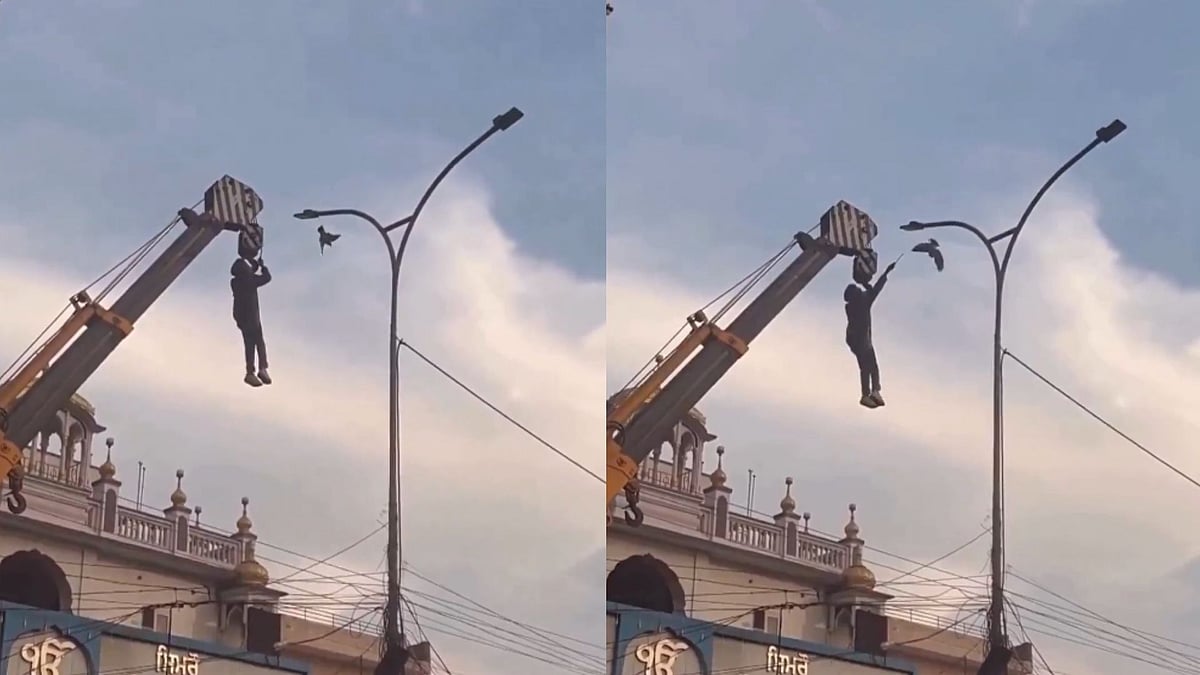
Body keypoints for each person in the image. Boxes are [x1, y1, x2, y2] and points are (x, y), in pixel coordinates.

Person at [844, 261, 895, 408]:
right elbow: (875, 290)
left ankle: (868, 393)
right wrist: (885, 273)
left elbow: (871, 291)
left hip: (854, 340)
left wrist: (868, 285)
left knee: (866, 368)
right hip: (862, 341)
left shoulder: (852, 306)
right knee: (871, 367)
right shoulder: (862, 303)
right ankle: (873, 392)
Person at [231, 256, 272, 387]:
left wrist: (254, 265)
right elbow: (267, 278)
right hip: (252, 317)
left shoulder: (236, 282)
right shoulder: (249, 280)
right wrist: (263, 267)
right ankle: (262, 368)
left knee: (249, 345)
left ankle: (250, 372)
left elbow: (250, 274)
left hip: (242, 318)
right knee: (259, 342)